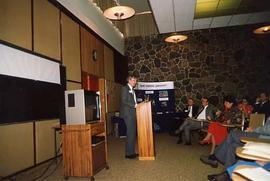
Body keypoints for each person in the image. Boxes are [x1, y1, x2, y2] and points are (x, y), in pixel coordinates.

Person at [200, 117, 270, 170]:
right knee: (232, 146)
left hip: (264, 138)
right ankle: (226, 173)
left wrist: (254, 130)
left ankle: (214, 157)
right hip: (263, 135)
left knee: (232, 134)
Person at [119, 75, 138, 159]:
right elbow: (124, 101)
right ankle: (128, 154)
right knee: (130, 132)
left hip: (132, 113)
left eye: (135, 81)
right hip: (128, 114)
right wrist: (135, 105)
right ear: (129, 80)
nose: (135, 82)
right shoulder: (125, 88)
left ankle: (131, 152)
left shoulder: (132, 89)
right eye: (134, 80)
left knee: (132, 132)